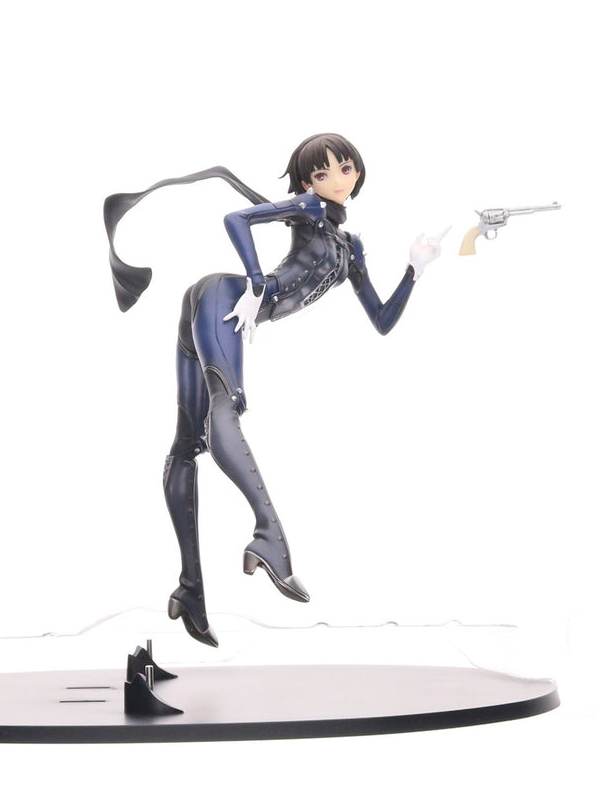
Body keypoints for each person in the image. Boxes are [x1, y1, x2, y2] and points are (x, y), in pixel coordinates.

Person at [104, 133, 448, 647]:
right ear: (307, 182)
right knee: (226, 407)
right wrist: (255, 283)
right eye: (321, 173)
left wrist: (415, 270)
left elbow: (381, 320)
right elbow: (235, 219)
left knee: (186, 443)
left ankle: (190, 587)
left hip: (218, 308)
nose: (336, 179)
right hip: (223, 298)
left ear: (357, 172)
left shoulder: (349, 248)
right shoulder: (308, 208)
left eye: (345, 168)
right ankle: (269, 536)